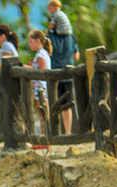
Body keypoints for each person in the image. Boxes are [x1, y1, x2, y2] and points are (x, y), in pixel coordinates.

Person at [47, 0, 75, 134]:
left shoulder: (52, 37)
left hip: (55, 73)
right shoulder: (71, 37)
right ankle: (68, 132)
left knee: (54, 103)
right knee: (67, 105)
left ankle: (55, 133)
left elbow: (50, 51)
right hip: (68, 71)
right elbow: (76, 55)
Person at [27, 30, 53, 143]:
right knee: (42, 115)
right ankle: (43, 139)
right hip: (40, 90)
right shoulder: (42, 54)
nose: (29, 44)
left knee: (42, 115)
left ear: (38, 41)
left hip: (41, 90)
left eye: (31, 41)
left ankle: (44, 140)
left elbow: (42, 73)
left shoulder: (41, 55)